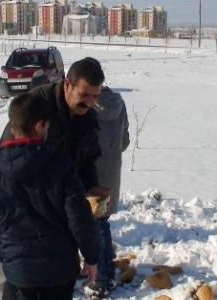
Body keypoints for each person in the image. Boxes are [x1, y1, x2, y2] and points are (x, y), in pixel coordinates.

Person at [0, 56, 110, 300]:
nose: (89, 103)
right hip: (27, 210)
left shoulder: (87, 116)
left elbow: (88, 157)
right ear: (67, 85)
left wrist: (91, 187)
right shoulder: (36, 107)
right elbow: (10, 157)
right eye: (84, 95)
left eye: (95, 97)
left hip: (60, 200)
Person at [92, 86, 130, 296]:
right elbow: (124, 141)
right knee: (101, 222)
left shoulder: (86, 105)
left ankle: (99, 280)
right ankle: (108, 274)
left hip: (90, 171)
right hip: (111, 172)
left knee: (92, 226)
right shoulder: (119, 103)